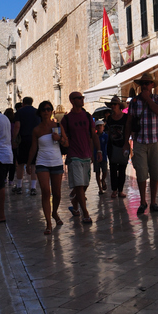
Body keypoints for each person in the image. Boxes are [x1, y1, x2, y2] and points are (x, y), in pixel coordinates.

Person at [124, 72, 158, 216]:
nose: (145, 86)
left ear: (152, 85)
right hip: (140, 141)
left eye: (147, 83)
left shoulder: (157, 98)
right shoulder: (134, 102)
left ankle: (153, 202)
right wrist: (125, 143)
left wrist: (148, 99)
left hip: (154, 141)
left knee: (155, 172)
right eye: (142, 84)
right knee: (141, 172)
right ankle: (142, 202)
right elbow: (129, 122)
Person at [28, 101, 69, 234]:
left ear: (51, 111)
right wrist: (29, 163)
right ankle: (48, 223)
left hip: (56, 162)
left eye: (48, 109)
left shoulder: (57, 126)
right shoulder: (36, 130)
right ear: (40, 112)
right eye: (43, 109)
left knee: (57, 193)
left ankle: (55, 212)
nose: (46, 111)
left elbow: (66, 143)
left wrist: (59, 139)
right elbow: (34, 148)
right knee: (46, 191)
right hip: (42, 162)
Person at [61, 92, 101, 225]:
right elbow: (63, 137)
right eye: (79, 98)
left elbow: (93, 135)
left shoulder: (88, 116)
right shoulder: (66, 119)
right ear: (72, 100)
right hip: (74, 155)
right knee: (79, 185)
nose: (82, 100)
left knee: (84, 185)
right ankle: (86, 214)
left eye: (82, 98)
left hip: (86, 155)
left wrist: (98, 150)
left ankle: (74, 200)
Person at [13, 96, 41, 195]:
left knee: (20, 164)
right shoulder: (37, 112)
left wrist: (14, 139)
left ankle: (19, 186)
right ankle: (33, 187)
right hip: (34, 140)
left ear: (23, 103)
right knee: (33, 164)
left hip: (23, 140)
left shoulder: (19, 112)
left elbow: (17, 126)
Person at [105, 95, 129, 198]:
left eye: (115, 104)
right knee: (113, 169)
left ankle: (120, 190)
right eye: (112, 105)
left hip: (123, 144)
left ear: (119, 105)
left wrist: (127, 143)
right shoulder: (109, 118)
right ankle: (114, 190)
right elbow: (109, 130)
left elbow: (128, 130)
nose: (113, 106)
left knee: (122, 169)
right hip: (112, 146)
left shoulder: (125, 117)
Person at [94, 120, 108, 194]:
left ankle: (103, 180)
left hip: (104, 156)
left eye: (101, 126)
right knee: (97, 172)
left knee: (105, 171)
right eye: (98, 126)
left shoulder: (106, 136)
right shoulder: (94, 136)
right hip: (96, 156)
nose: (99, 127)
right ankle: (100, 188)